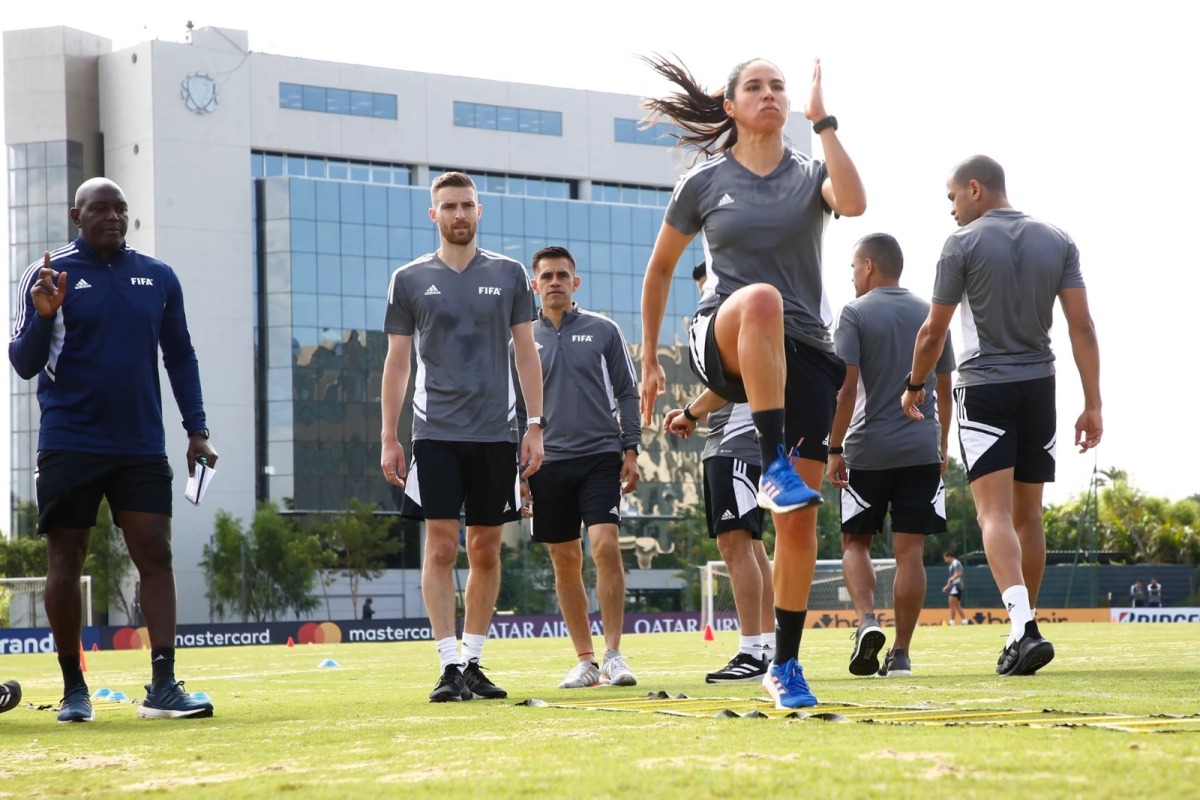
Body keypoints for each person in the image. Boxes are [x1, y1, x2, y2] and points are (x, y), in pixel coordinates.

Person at [639, 55, 865, 709]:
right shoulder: (704, 182)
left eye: (779, 87)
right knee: (762, 298)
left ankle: (785, 666)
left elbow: (854, 203)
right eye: (754, 87)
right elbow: (659, 273)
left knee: (797, 527)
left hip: (804, 359)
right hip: (724, 335)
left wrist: (824, 121)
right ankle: (771, 464)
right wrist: (651, 359)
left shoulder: (812, 174)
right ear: (731, 106)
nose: (769, 94)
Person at [8, 177, 218, 722]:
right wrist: (46, 313)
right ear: (76, 215)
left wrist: (196, 429)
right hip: (69, 441)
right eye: (100, 210)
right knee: (66, 559)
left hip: (141, 444)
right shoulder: (49, 274)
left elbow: (181, 355)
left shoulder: (159, 277)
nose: (113, 218)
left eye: (121, 210)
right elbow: (24, 362)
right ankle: (74, 689)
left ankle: (164, 686)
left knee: (156, 553)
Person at [902, 155, 1102, 678]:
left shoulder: (961, 244)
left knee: (992, 514)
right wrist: (1093, 402)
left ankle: (1022, 627)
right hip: (1042, 384)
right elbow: (1082, 326)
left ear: (975, 189)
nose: (950, 209)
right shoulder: (1058, 239)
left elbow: (932, 333)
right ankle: (1022, 627)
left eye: (951, 198)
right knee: (1028, 514)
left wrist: (915, 385)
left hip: (986, 387)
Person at [380, 171, 545, 703]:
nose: (458, 215)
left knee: (487, 548)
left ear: (479, 212)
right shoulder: (408, 279)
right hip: (435, 434)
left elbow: (526, 353)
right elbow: (398, 362)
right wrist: (389, 435)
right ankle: (448, 665)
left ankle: (474, 661)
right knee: (442, 547)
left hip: (497, 433)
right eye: (448, 206)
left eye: (466, 206)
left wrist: (535, 426)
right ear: (434, 214)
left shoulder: (511, 274)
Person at [826, 233, 955, 678]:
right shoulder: (930, 312)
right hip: (921, 448)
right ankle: (900, 654)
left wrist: (834, 448)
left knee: (855, 542)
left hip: (866, 449)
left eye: (853, 267)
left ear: (868, 267)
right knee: (910, 552)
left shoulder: (855, 313)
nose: (853, 276)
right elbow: (943, 387)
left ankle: (866, 620)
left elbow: (845, 389)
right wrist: (941, 447)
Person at [517, 246, 641, 689]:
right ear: (534, 284)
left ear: (576, 282)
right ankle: (585, 661)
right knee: (565, 558)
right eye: (546, 275)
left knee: (605, 546)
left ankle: (612, 655)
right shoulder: (520, 337)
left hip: (600, 457)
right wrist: (520, 469)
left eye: (562, 275)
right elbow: (514, 408)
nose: (554, 281)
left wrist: (631, 449)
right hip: (546, 464)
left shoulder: (604, 331)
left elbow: (627, 392)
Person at [664, 263, 774, 682]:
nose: (704, 293)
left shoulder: (735, 313)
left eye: (705, 285)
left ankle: (752, 652)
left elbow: (734, 379)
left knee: (736, 547)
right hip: (748, 441)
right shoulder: (760, 310)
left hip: (735, 443)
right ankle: (766, 645)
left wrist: (691, 412)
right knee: (753, 548)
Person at [943, 551, 967, 626]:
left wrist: (951, 580)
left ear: (949, 556)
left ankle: (952, 621)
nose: (945, 560)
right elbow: (952, 578)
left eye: (945, 558)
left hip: (957, 586)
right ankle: (964, 620)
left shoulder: (956, 563)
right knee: (957, 605)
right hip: (955, 586)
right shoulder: (952, 565)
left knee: (951, 603)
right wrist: (948, 586)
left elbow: (958, 574)